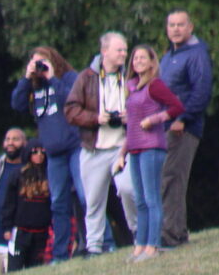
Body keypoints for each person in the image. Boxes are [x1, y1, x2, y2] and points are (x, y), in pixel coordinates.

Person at [12, 47, 82, 262]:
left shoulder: (67, 77)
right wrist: (26, 79)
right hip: (54, 153)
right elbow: (17, 104)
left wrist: (52, 78)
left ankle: (98, 243)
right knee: (58, 203)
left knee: (85, 196)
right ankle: (60, 254)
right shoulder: (35, 86)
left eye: (43, 61)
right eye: (36, 63)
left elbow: (73, 100)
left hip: (75, 147)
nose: (40, 66)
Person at [66, 34, 133, 255]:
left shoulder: (131, 76)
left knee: (128, 189)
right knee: (92, 200)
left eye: (125, 50)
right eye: (119, 50)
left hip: (123, 146)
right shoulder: (86, 77)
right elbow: (71, 110)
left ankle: (139, 234)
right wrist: (96, 118)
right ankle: (94, 246)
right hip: (94, 148)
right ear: (105, 51)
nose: (123, 54)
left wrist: (129, 116)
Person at [124, 44, 187, 263]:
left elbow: (176, 107)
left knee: (152, 198)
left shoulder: (155, 85)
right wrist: (122, 152)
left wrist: (155, 119)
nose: (138, 61)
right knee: (139, 199)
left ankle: (153, 245)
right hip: (134, 147)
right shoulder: (132, 87)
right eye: (135, 58)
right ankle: (139, 245)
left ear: (152, 62)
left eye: (143, 58)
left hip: (151, 146)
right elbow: (131, 123)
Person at [158, 11, 213, 248]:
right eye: (172, 25)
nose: (176, 29)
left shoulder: (196, 54)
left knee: (172, 178)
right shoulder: (168, 56)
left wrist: (183, 118)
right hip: (163, 127)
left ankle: (174, 235)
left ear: (190, 27)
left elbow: (201, 91)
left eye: (181, 25)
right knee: (165, 178)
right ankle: (169, 232)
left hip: (182, 128)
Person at [2, 144, 55, 272]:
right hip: (20, 231)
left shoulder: (51, 174)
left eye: (42, 152)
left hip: (42, 232)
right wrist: (7, 227)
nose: (39, 155)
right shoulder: (18, 175)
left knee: (36, 269)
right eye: (35, 152)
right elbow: (9, 203)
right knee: (15, 268)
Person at [0, 127, 30, 275]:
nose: (10, 143)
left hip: (14, 240)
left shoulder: (28, 170)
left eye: (15, 139)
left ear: (25, 143)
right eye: (7, 139)